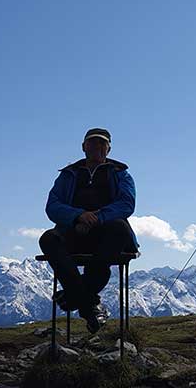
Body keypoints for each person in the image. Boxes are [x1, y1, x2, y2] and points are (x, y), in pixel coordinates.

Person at [39, 128, 138, 333]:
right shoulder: (68, 175)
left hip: (108, 233)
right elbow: (53, 206)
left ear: (108, 149)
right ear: (84, 147)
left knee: (120, 228)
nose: (97, 148)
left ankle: (73, 296)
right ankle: (89, 304)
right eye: (92, 143)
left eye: (102, 144)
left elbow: (126, 204)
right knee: (48, 239)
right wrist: (78, 216)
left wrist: (96, 218)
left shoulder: (121, 174)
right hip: (75, 231)